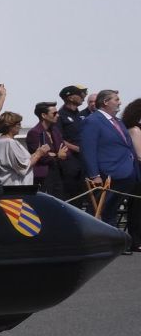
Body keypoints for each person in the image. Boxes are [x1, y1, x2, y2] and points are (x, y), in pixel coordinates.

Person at [79, 90, 137, 237]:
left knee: (112, 210)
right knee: (99, 210)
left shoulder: (117, 121)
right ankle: (95, 240)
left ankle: (111, 241)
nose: (120, 102)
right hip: (106, 174)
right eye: (116, 99)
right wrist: (94, 174)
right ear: (105, 102)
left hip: (125, 173)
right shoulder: (93, 121)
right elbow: (88, 149)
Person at [56, 85, 91, 197]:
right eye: (79, 94)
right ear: (70, 97)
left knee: (83, 195)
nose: (82, 97)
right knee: (72, 195)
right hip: (70, 163)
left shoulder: (80, 116)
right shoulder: (60, 116)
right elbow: (58, 138)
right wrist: (76, 148)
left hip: (83, 162)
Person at [0, 112, 42, 187]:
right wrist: (39, 154)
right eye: (18, 124)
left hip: (6, 186)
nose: (20, 127)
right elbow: (23, 167)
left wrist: (37, 153)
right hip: (16, 188)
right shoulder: (9, 142)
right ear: (10, 126)